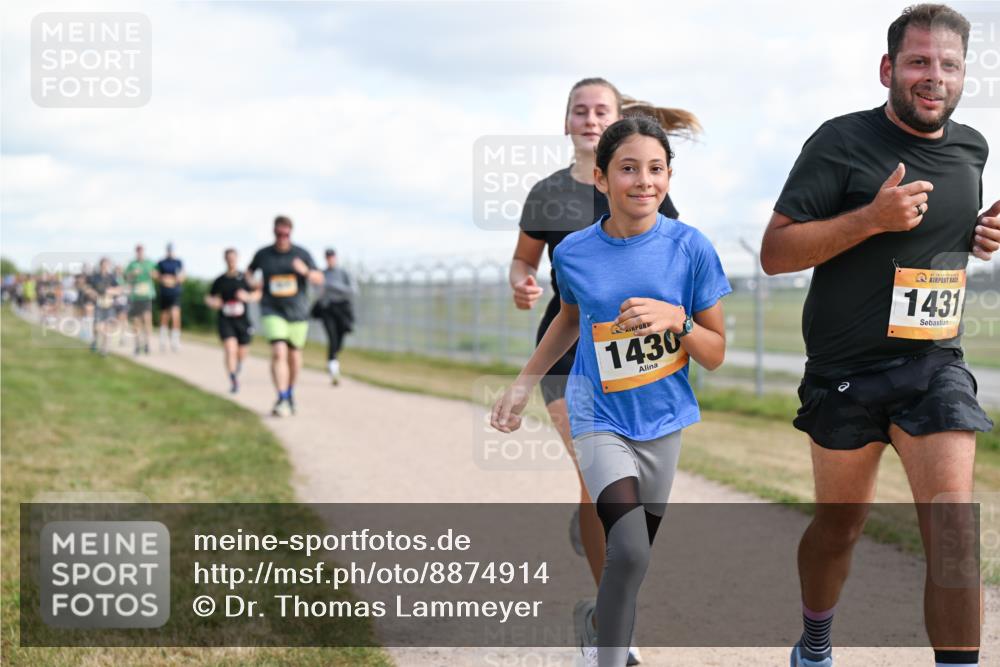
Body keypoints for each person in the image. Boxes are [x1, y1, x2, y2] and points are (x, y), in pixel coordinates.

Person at [760, 5, 998, 667]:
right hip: (846, 370)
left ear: (962, 74)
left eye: (948, 64)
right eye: (919, 61)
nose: (934, 76)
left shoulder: (973, 147)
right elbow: (775, 252)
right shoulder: (839, 142)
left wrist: (977, 235)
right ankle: (814, 643)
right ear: (889, 68)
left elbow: (942, 236)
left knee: (954, 525)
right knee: (840, 528)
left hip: (932, 364)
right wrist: (869, 217)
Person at [493, 116, 730, 667]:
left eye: (655, 169)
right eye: (628, 169)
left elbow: (715, 353)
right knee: (626, 548)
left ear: (669, 177)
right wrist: (524, 383)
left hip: (663, 420)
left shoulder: (691, 249)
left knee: (633, 558)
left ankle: (598, 621)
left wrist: (678, 320)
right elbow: (569, 320)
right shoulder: (575, 252)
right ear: (601, 179)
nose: (643, 181)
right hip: (597, 414)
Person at [248, 215, 323, 417]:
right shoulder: (263, 254)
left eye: (285, 234)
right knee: (278, 352)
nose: (282, 237)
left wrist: (305, 271)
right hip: (272, 309)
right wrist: (254, 283)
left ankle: (290, 394)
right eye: (278, 233)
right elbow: (248, 273)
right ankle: (281, 397)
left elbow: (319, 278)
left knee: (294, 355)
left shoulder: (301, 254)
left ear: (291, 233)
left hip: (297, 312)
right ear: (274, 232)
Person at [205, 248, 259, 393]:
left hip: (243, 321)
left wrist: (248, 297)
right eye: (228, 258)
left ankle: (238, 364)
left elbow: (258, 292)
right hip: (226, 320)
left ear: (237, 259)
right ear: (225, 259)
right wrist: (213, 303)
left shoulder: (244, 278)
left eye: (233, 258)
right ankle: (233, 379)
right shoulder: (220, 280)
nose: (231, 261)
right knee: (230, 349)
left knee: (242, 352)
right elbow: (209, 297)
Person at [311, 248, 358, 385]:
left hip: (342, 309)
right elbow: (317, 292)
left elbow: (353, 291)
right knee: (332, 337)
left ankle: (333, 358)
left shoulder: (344, 273)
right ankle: (333, 368)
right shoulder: (322, 274)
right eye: (327, 257)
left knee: (340, 338)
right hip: (327, 309)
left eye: (331, 257)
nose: (330, 259)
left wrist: (333, 286)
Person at [84, 258, 122, 356]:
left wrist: (111, 291)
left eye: (107, 265)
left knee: (107, 327)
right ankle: (95, 340)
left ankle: (105, 349)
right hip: (98, 304)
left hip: (109, 305)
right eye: (103, 265)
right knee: (97, 327)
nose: (105, 267)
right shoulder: (95, 277)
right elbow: (87, 289)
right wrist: (93, 293)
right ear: (100, 265)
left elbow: (119, 289)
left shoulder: (112, 277)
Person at [125, 244, 156, 355]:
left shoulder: (150, 263)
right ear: (136, 252)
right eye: (138, 251)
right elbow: (126, 277)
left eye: (141, 251)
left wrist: (153, 274)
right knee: (136, 322)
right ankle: (137, 345)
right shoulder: (132, 264)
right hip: (135, 296)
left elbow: (157, 275)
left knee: (147, 319)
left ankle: (147, 344)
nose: (140, 253)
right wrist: (133, 274)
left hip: (147, 296)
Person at [155, 242, 185, 351]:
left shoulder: (178, 262)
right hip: (164, 293)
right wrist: (164, 279)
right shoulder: (161, 262)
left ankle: (175, 341)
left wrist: (171, 280)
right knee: (164, 317)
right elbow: (156, 275)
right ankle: (163, 341)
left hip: (175, 293)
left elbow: (182, 277)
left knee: (175, 315)